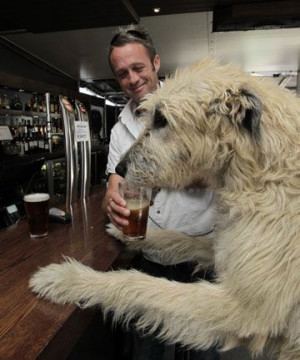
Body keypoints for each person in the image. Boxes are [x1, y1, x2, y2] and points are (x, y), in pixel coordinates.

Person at [102, 24, 220, 360]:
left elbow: (213, 174)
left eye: (138, 67)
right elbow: (115, 183)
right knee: (145, 352)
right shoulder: (119, 129)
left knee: (200, 352)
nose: (132, 79)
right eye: (122, 73)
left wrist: (151, 175)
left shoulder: (193, 105)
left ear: (155, 62)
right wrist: (111, 201)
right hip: (149, 258)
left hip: (197, 258)